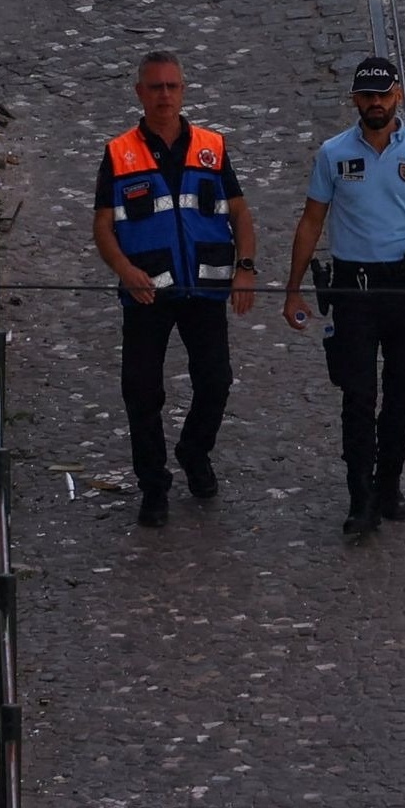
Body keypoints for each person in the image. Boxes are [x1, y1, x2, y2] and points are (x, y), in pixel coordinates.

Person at [280, 56, 405, 538]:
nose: (375, 103)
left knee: (401, 393)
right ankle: (361, 498)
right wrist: (293, 289)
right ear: (355, 99)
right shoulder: (333, 154)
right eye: (367, 95)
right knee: (357, 395)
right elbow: (311, 221)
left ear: (398, 96)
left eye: (383, 95)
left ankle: (388, 485)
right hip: (353, 290)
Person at [91, 51, 257, 527]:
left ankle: (194, 451)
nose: (164, 95)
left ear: (183, 91)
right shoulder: (119, 153)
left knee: (216, 381)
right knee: (141, 392)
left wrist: (245, 268)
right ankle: (153, 486)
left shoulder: (212, 147)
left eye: (172, 86)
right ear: (139, 93)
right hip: (147, 293)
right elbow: (102, 226)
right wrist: (124, 270)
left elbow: (240, 213)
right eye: (156, 87)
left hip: (205, 289)